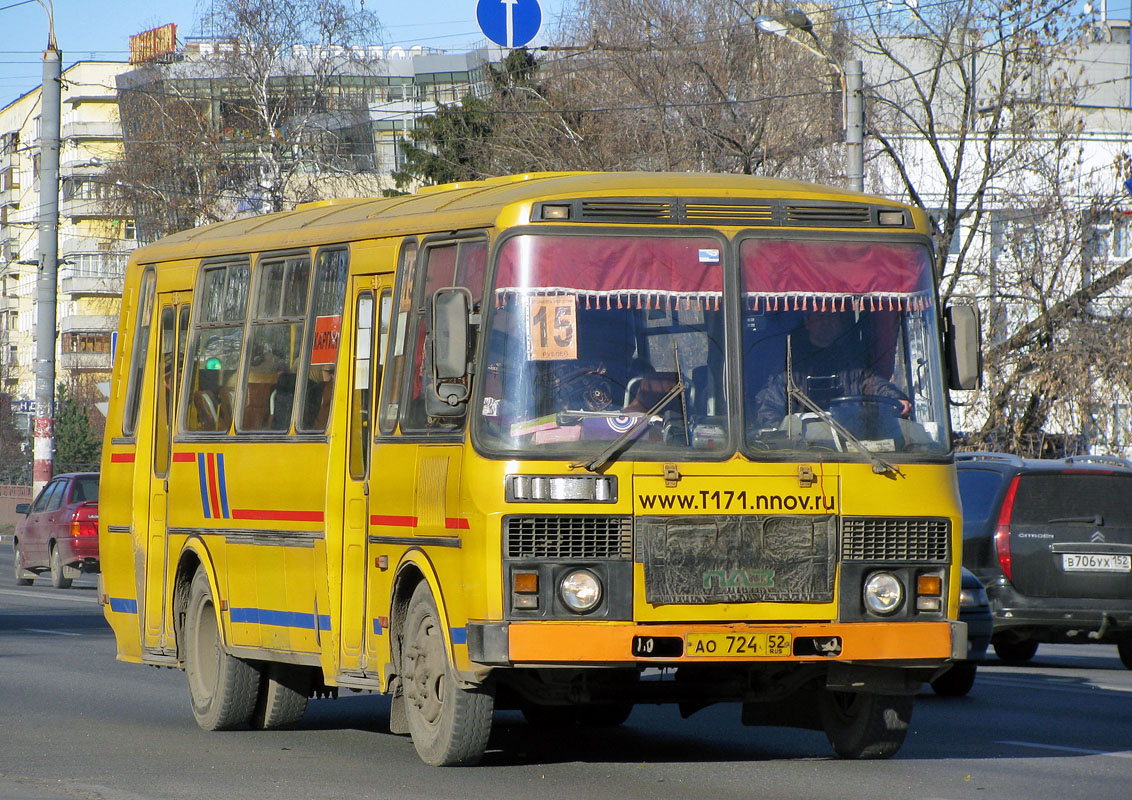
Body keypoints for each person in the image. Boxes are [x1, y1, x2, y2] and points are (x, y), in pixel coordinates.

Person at [753, 310, 911, 429]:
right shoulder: (789, 369)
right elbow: (768, 411)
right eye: (821, 317)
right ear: (808, 322)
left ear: (841, 324)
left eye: (832, 317)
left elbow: (875, 385)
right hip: (802, 455)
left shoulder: (853, 366)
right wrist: (788, 439)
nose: (826, 322)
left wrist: (895, 399)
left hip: (852, 449)